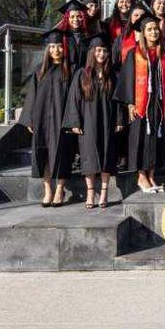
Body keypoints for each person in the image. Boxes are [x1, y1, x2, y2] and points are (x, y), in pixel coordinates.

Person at [63, 34, 123, 209]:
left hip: (108, 120)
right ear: (92, 52)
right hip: (88, 121)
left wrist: (119, 119)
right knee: (89, 157)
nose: (102, 54)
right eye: (98, 50)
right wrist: (75, 122)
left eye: (104, 51)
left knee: (106, 155)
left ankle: (103, 192)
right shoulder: (82, 74)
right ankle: (90, 192)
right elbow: (74, 99)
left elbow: (119, 99)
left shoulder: (112, 75)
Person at [115, 14, 165, 194]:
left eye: (155, 28)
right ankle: (141, 176)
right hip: (141, 105)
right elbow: (127, 79)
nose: (153, 31)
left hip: (159, 103)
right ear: (143, 33)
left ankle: (152, 175)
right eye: (149, 29)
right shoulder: (135, 53)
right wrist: (130, 103)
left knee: (157, 138)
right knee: (141, 139)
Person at [20, 29, 74, 207]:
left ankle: (59, 190)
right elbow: (32, 96)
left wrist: (73, 120)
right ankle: (48, 190)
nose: (56, 50)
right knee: (43, 155)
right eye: (52, 46)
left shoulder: (71, 70)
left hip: (62, 119)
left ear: (64, 48)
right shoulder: (40, 70)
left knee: (62, 154)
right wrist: (29, 119)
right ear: (48, 49)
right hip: (42, 119)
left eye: (59, 46)